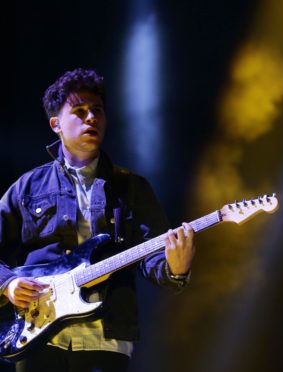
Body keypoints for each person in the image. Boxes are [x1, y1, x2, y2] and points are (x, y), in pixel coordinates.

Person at [0, 68, 196, 371]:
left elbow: (152, 259)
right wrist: (8, 284)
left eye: (97, 110)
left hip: (106, 338)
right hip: (38, 340)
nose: (91, 117)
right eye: (79, 111)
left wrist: (176, 268)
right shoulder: (26, 188)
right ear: (56, 125)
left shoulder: (132, 187)